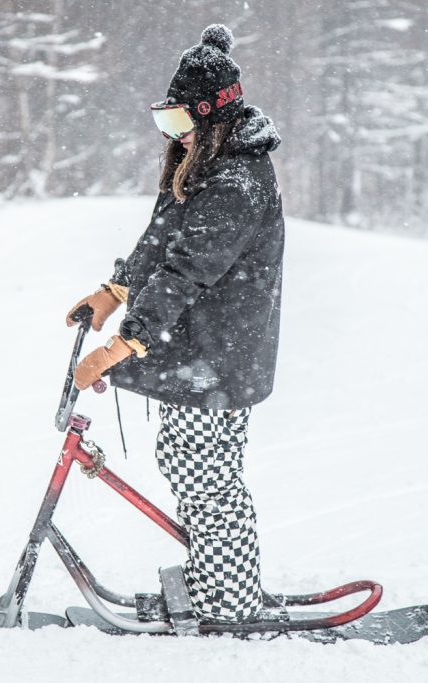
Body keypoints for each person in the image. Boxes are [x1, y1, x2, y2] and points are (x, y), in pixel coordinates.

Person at [65, 24, 285, 624]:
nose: (173, 137)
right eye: (166, 124)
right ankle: (217, 580)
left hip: (216, 354)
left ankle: (228, 601)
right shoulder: (206, 164)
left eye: (179, 123)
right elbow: (164, 239)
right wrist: (115, 290)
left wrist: (125, 343)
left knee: (207, 478)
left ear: (211, 116)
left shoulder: (236, 182)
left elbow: (187, 270)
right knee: (192, 468)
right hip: (198, 352)